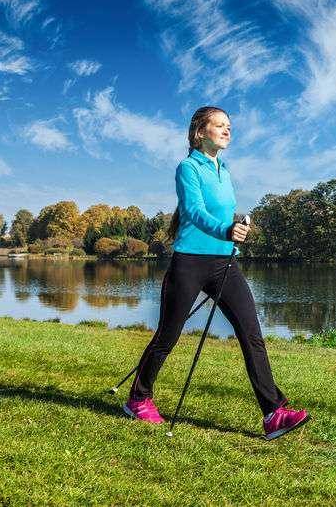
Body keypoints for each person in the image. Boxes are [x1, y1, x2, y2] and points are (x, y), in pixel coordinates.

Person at [123, 106, 309, 440]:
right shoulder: (188, 168)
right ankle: (138, 398)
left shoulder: (224, 169)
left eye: (229, 126)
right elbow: (194, 212)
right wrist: (226, 229)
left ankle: (273, 413)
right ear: (199, 132)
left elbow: (225, 216)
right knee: (168, 336)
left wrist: (236, 232)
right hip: (189, 263)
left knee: (251, 333)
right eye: (219, 125)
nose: (227, 131)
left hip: (225, 263)